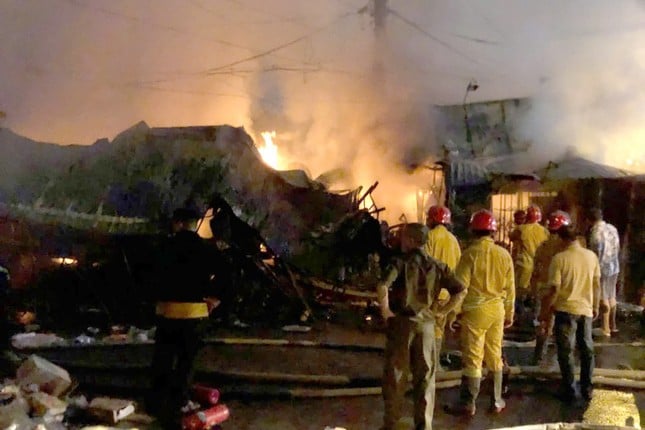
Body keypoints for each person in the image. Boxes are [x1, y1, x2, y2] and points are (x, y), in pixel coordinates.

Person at [377, 222, 466, 430]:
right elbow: (460, 291)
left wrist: (386, 311)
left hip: (401, 324)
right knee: (425, 378)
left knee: (396, 376)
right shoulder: (437, 265)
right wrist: (442, 311)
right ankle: (424, 426)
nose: (400, 240)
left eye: (403, 236)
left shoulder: (399, 262)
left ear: (410, 240)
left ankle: (391, 424)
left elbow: (382, 286)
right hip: (427, 325)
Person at [148, 207, 224, 425]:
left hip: (166, 312)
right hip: (195, 314)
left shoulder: (163, 247)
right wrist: (214, 299)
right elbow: (226, 277)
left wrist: (155, 297)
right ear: (194, 224)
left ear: (178, 223)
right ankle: (179, 400)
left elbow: (147, 276)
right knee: (186, 361)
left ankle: (155, 402)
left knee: (162, 358)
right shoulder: (207, 249)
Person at [446, 209, 515, 416]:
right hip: (497, 310)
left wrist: (452, 314)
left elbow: (460, 288)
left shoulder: (469, 255)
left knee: (473, 357)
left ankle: (468, 403)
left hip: (476, 312)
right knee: (494, 355)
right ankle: (496, 400)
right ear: (493, 232)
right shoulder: (504, 254)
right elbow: (510, 289)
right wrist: (510, 313)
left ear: (472, 230)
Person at [539, 222, 600, 402]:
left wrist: (545, 311)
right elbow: (596, 284)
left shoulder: (559, 259)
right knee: (587, 349)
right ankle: (587, 387)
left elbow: (554, 289)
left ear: (562, 239)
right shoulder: (591, 257)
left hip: (565, 310)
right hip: (586, 310)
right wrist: (595, 305)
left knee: (566, 351)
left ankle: (570, 389)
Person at [424, 205, 461, 367]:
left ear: (432, 219)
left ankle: (428, 366)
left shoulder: (429, 237)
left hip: (431, 293)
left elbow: (423, 265)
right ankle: (435, 364)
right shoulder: (454, 240)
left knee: (426, 328)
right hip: (449, 295)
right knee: (439, 328)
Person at [531, 210, 570, 365]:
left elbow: (535, 271)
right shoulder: (565, 249)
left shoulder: (544, 246)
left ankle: (539, 356)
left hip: (544, 289)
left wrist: (534, 290)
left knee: (543, 322)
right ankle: (561, 361)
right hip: (561, 291)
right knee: (561, 327)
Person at [587, 208, 620, 337]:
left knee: (603, 297)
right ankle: (613, 326)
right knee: (612, 295)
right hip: (614, 266)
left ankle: (605, 328)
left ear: (590, 220)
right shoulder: (612, 228)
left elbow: (595, 254)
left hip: (602, 268)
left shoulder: (595, 233)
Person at [509, 205, 549, 308]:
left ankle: (519, 314)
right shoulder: (544, 231)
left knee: (520, 291)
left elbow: (511, 237)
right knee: (535, 292)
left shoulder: (521, 229)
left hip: (524, 265)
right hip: (538, 266)